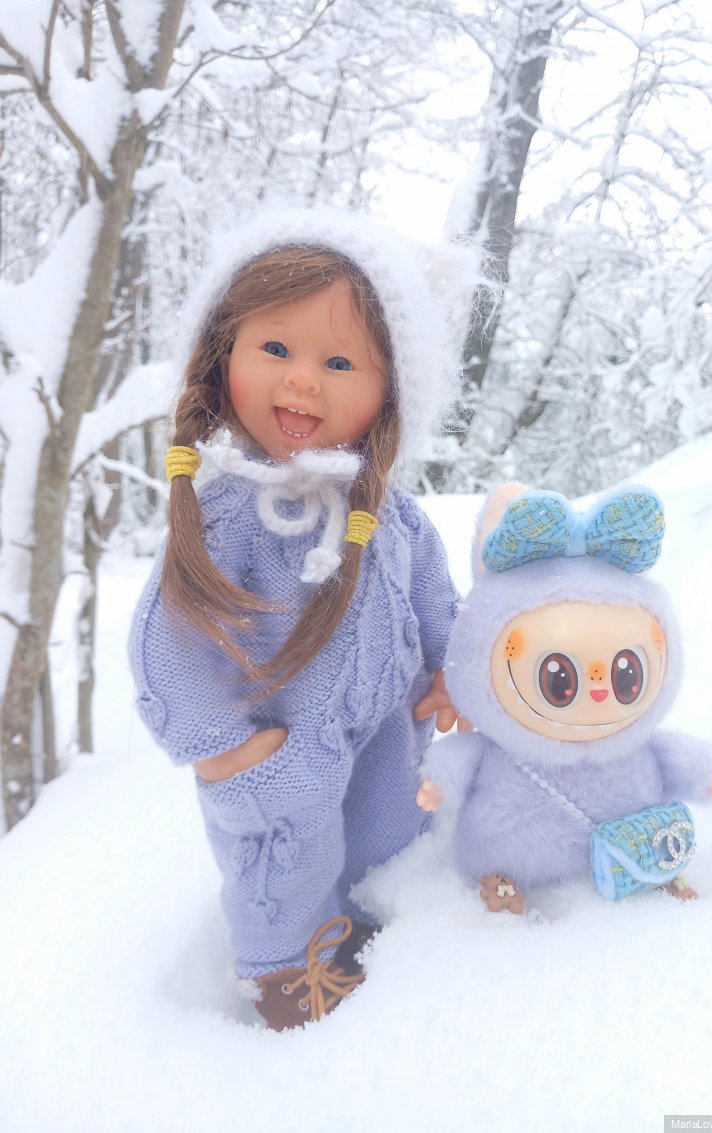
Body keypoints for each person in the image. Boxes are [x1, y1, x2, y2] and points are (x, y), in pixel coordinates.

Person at [128, 208, 470, 1030]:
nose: (303, 381)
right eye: (275, 348)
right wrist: (232, 751)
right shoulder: (228, 521)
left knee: (391, 831)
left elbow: (432, 591)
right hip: (283, 757)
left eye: (340, 362)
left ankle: (387, 920)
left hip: (388, 727)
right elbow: (168, 645)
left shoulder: (393, 514)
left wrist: (452, 664)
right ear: (223, 357)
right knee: (285, 870)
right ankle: (290, 980)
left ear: (391, 392)